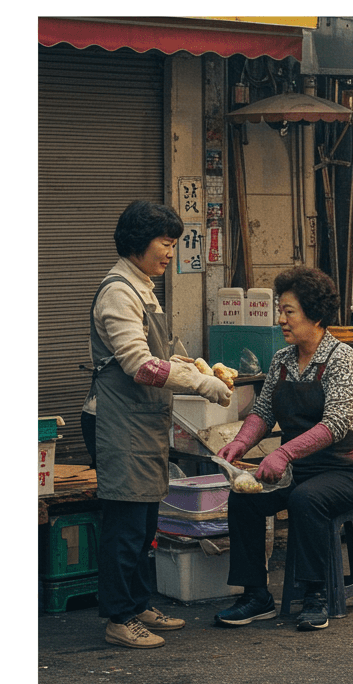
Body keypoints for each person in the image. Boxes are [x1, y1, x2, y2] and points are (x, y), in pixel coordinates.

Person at [84, 201, 232, 649]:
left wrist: (195, 363)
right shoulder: (118, 292)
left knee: (146, 521)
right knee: (125, 525)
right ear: (138, 242)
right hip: (117, 423)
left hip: (144, 421)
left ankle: (138, 602)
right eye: (165, 243)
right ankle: (118, 617)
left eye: (173, 244)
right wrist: (201, 384)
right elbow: (140, 365)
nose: (171, 253)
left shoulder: (144, 287)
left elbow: (162, 354)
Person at [214, 266, 353, 631]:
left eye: (289, 311)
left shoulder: (342, 359)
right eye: (279, 310)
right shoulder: (282, 360)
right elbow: (263, 412)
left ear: (314, 315)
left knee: (306, 499)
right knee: (244, 498)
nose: (280, 320)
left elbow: (334, 425)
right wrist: (239, 443)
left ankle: (315, 595)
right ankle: (256, 595)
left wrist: (284, 452)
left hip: (343, 470)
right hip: (295, 470)